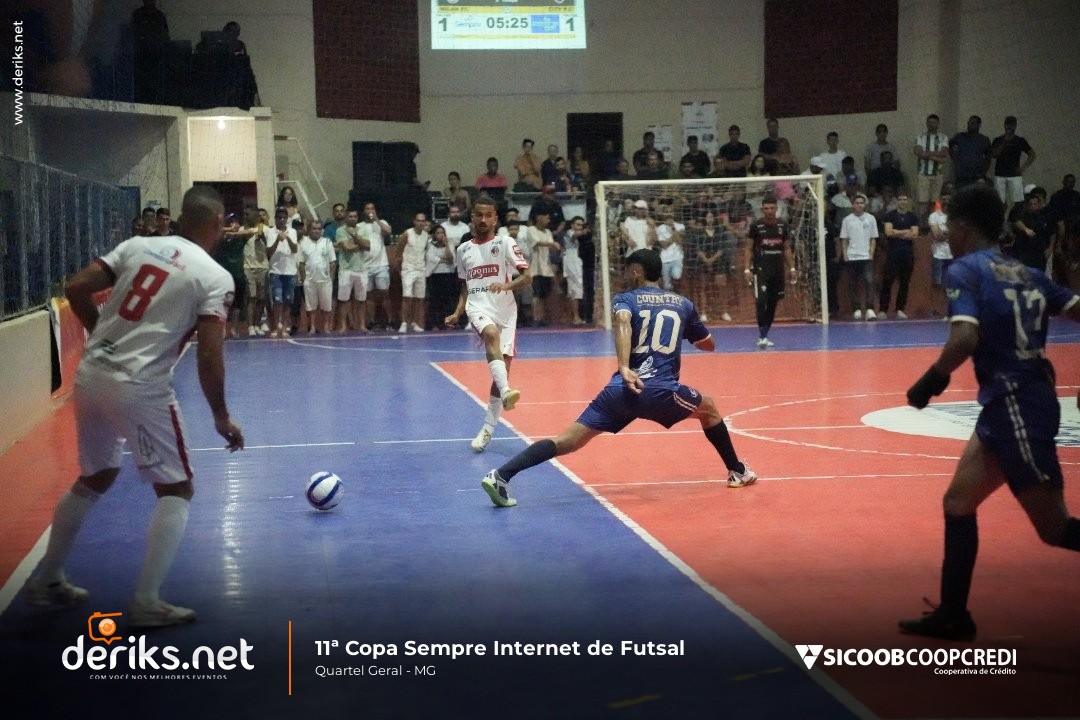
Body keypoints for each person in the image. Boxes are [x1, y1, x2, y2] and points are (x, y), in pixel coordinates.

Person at [24, 186, 244, 627]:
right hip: (140, 386)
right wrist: (221, 416)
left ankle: (48, 579)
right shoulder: (215, 277)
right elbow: (209, 356)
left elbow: (76, 287)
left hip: (92, 375)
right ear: (216, 224)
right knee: (177, 489)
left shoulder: (137, 245)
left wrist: (101, 335)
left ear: (180, 217)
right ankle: (146, 602)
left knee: (96, 474)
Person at [900, 185, 1080, 641]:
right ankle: (954, 615)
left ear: (963, 227)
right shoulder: (1027, 271)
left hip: (1019, 406)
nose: (946, 235)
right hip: (1006, 405)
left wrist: (930, 382)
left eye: (948, 226)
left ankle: (953, 614)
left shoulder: (966, 269)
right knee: (958, 504)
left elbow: (964, 338)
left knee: (1054, 529)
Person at [480, 249, 756, 508]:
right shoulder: (683, 304)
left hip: (620, 390)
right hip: (658, 390)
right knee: (709, 408)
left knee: (567, 441)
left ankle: (501, 476)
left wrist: (624, 367)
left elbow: (623, 322)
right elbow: (708, 344)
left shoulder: (625, 299)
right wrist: (680, 331)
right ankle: (737, 471)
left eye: (627, 271)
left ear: (636, 272)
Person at [445, 194, 531, 453]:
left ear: (495, 219)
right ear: (472, 218)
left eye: (488, 215)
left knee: (501, 371)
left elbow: (527, 277)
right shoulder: (463, 250)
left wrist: (506, 285)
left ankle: (487, 429)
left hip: (506, 310)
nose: (483, 219)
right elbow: (465, 287)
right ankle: (506, 392)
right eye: (478, 215)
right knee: (490, 335)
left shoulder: (505, 242)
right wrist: (458, 312)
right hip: (478, 306)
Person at [745, 196, 797, 348]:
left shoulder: (783, 225)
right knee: (761, 301)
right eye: (766, 208)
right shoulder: (756, 226)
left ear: (776, 209)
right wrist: (747, 268)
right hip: (761, 270)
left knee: (773, 302)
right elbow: (748, 248)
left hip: (778, 269)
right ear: (762, 209)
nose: (769, 211)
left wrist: (792, 268)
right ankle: (762, 336)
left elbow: (786, 248)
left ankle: (765, 334)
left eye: (772, 208)